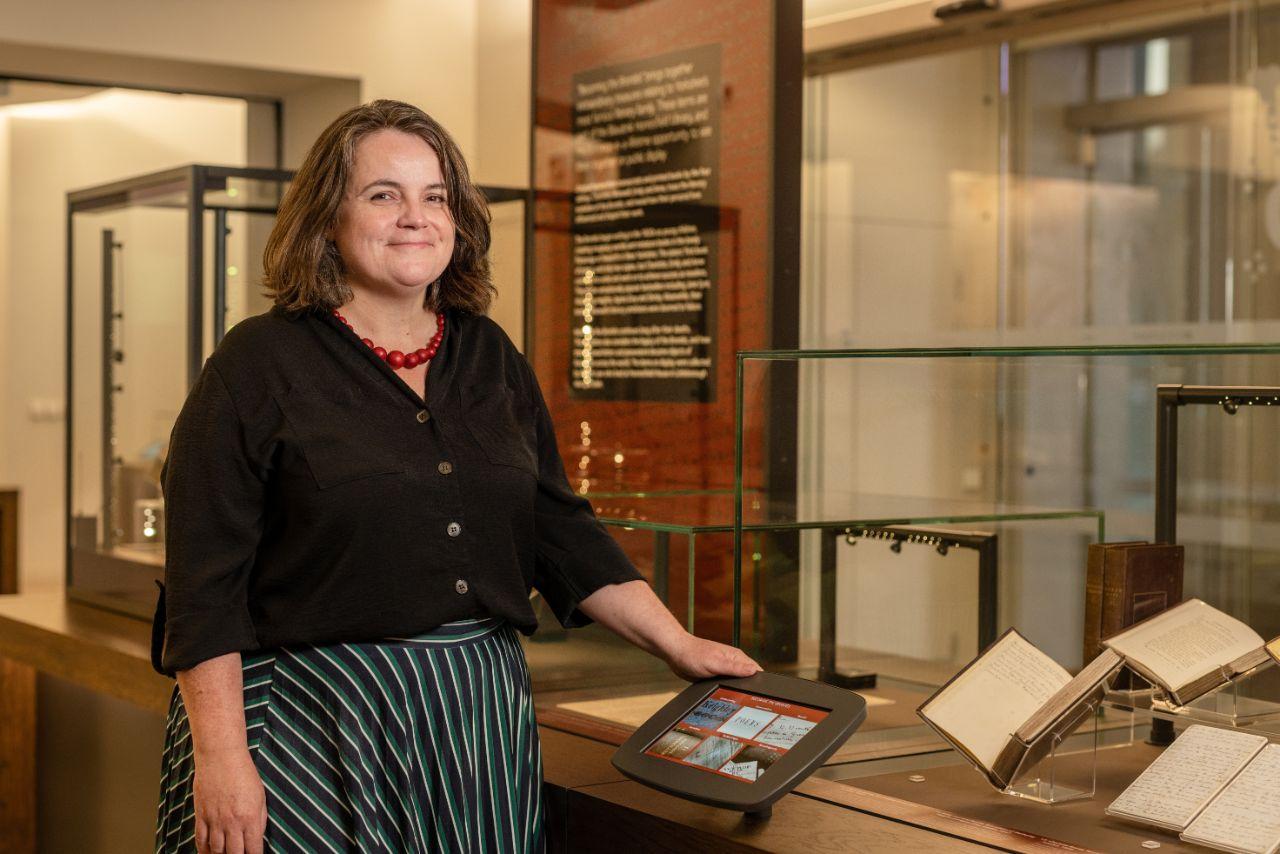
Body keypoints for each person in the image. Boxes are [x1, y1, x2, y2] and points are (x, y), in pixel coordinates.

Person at [151, 99, 760, 854]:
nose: (415, 216)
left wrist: (678, 644)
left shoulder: (489, 354)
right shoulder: (256, 364)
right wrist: (222, 758)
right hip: (309, 720)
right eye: (383, 195)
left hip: (475, 720)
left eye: (434, 196)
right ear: (326, 219)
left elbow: (557, 528)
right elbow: (202, 583)